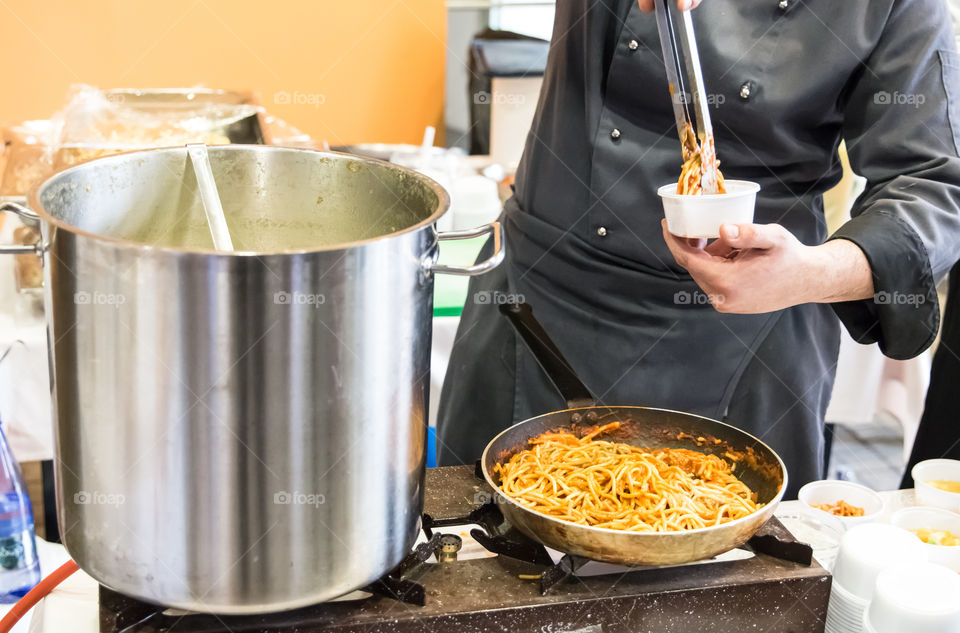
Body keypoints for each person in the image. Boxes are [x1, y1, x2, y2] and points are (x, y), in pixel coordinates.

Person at [438, 0, 960, 498]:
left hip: (749, 334)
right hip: (544, 301)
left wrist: (814, 272)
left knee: (729, 579)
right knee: (479, 553)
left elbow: (933, 184)